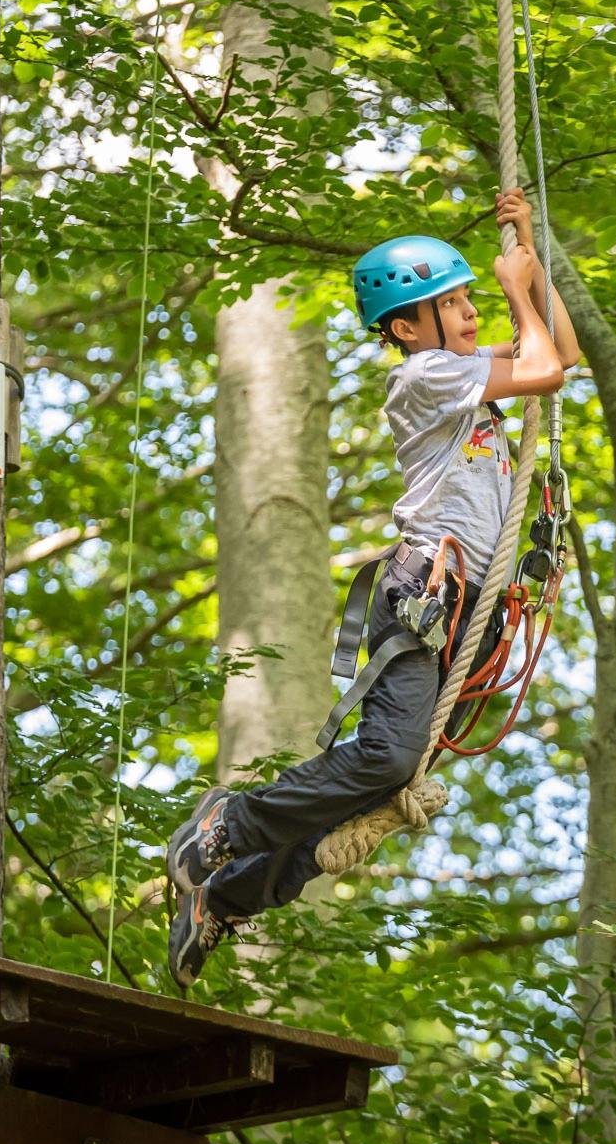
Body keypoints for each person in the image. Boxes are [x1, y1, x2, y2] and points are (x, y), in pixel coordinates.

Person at [163, 188, 580, 987]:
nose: (464, 314)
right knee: (387, 759)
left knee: (361, 801)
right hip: (425, 596)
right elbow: (546, 370)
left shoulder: (465, 369)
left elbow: (561, 348)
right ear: (404, 329)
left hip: (472, 620)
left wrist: (530, 249)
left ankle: (227, 896)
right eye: (446, 304)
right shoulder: (425, 378)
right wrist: (512, 287)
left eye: (464, 299)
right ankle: (229, 822)